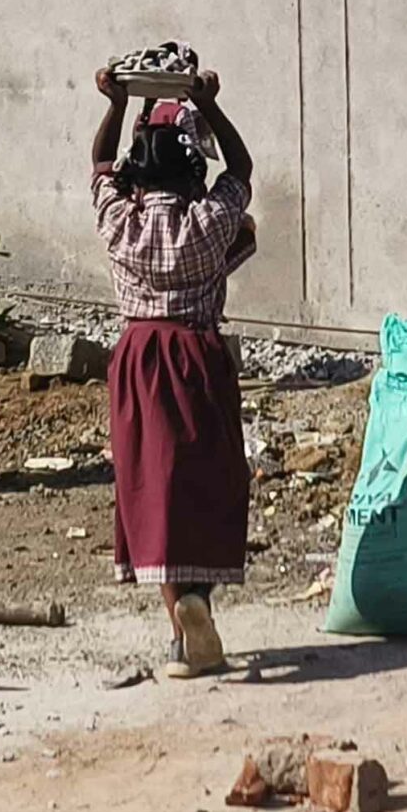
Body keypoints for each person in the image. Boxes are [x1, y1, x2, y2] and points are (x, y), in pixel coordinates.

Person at [90, 70, 258, 679]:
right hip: (198, 354)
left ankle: (177, 631)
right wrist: (210, 104)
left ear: (137, 176)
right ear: (190, 173)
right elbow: (240, 169)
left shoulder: (120, 222)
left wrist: (117, 104)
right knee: (203, 481)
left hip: (138, 357)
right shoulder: (208, 220)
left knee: (152, 489)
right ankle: (199, 606)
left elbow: (99, 163)